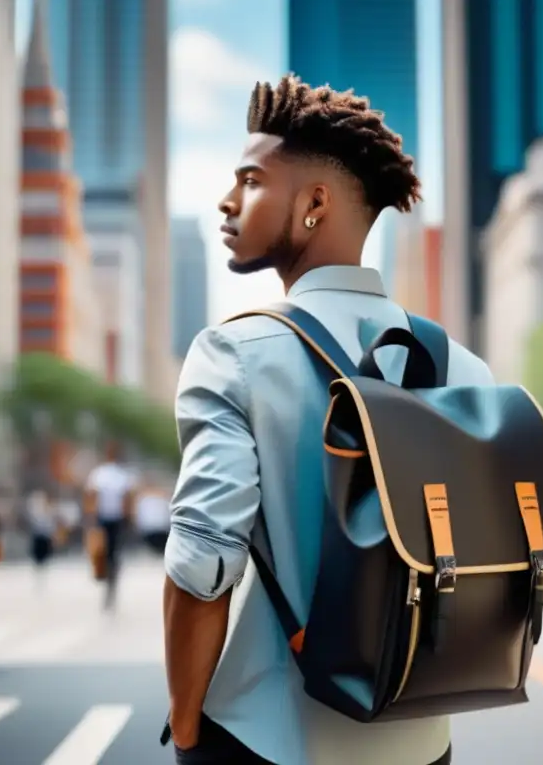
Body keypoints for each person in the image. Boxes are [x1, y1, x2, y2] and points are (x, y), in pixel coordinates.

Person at [162, 75, 492, 765]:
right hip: (424, 737)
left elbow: (202, 566)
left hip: (271, 736)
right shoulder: (463, 365)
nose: (228, 200)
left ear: (314, 203)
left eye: (251, 180)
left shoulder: (232, 353)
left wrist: (188, 734)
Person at [83, 442, 136, 610]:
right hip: (114, 519)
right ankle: (110, 580)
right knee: (112, 553)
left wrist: (90, 517)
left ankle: (107, 580)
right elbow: (127, 500)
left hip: (103, 518)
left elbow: (91, 497)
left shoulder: (99, 474)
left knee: (105, 553)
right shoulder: (121, 475)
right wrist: (128, 519)